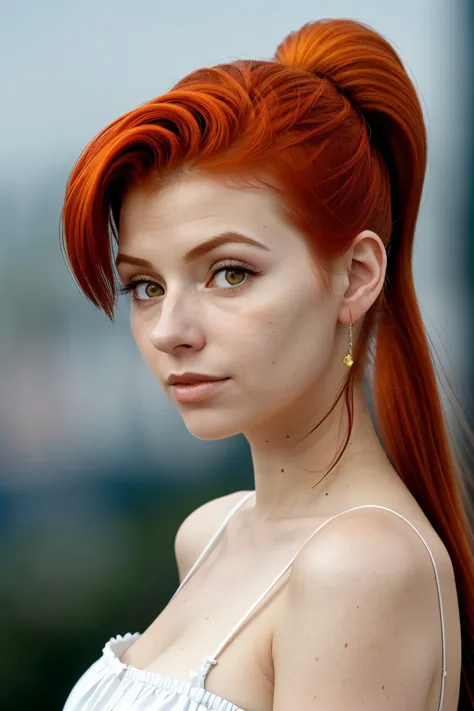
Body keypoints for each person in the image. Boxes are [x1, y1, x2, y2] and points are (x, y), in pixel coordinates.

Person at [59, 17, 473, 711]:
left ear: (355, 275)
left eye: (229, 273)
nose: (171, 331)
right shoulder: (211, 532)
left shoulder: (361, 567)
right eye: (145, 286)